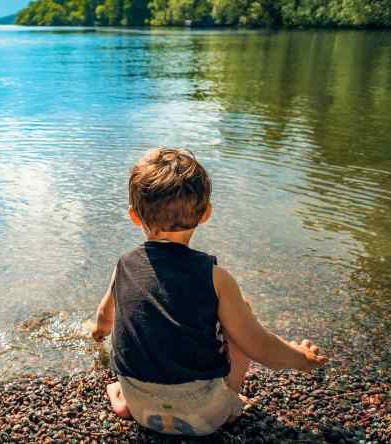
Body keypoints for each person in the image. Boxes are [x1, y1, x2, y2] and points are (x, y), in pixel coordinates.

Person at [91, 148, 327, 436]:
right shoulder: (216, 277)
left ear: (134, 216)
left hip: (140, 408)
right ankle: (230, 401)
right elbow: (259, 347)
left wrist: (97, 336)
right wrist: (300, 358)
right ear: (205, 214)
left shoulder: (124, 265)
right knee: (242, 311)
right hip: (204, 415)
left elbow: (104, 317)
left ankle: (122, 400)